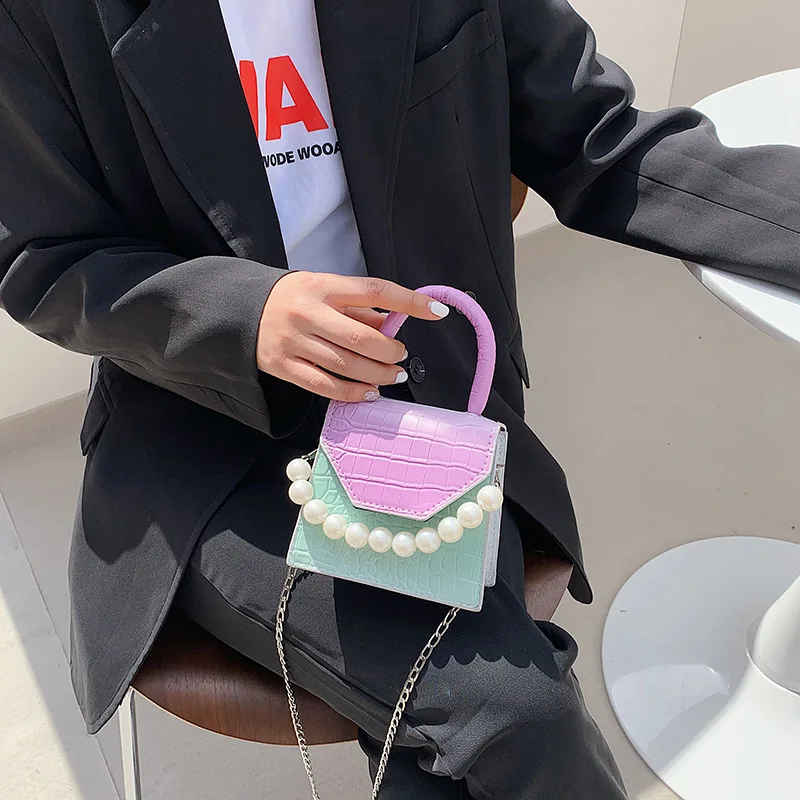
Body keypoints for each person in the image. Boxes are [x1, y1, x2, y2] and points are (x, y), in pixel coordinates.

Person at [1, 0, 799, 797]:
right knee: (517, 716)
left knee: (492, 730)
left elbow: (598, 137)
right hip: (209, 429)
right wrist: (246, 316)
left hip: (427, 410)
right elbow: (44, 260)